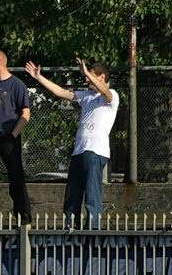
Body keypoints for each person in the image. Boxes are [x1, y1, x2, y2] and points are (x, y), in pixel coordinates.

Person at [25, 58, 119, 229]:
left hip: (95, 151)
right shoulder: (86, 97)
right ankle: (70, 228)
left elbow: (105, 92)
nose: (86, 80)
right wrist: (39, 78)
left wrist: (87, 74)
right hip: (79, 151)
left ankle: (93, 229)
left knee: (92, 194)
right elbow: (61, 92)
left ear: (102, 77)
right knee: (72, 195)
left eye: (90, 77)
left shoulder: (111, 97)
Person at [0, 50, 32, 221]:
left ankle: (23, 215)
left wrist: (14, 134)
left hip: (9, 136)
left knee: (15, 176)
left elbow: (25, 113)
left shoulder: (17, 85)